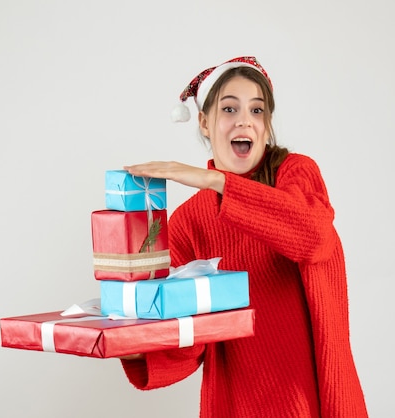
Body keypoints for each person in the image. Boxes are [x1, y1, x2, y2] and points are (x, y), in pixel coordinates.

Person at [120, 56, 368, 417]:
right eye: (229, 108)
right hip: (237, 402)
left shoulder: (295, 174)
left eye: (256, 110)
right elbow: (191, 337)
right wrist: (135, 348)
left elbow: (314, 238)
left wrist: (216, 181)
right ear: (204, 122)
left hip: (312, 398)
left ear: (266, 124)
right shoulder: (190, 220)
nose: (244, 120)